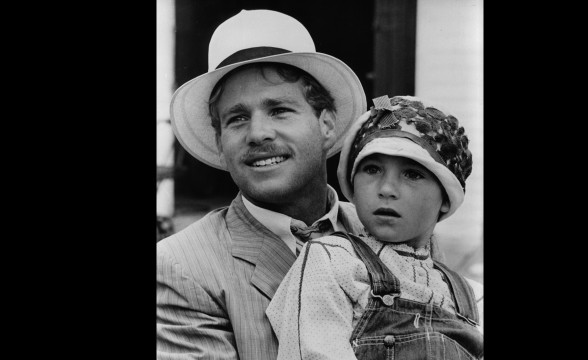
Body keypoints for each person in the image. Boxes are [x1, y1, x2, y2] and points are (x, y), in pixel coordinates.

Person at [156, 9, 371, 360]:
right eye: (237, 118)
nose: (257, 134)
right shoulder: (182, 267)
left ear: (327, 124)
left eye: (279, 110)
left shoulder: (384, 232)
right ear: (221, 146)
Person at [266, 95, 484, 359]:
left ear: (446, 199)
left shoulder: (466, 295)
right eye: (372, 169)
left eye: (412, 174)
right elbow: (314, 352)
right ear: (353, 185)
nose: (387, 189)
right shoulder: (332, 260)